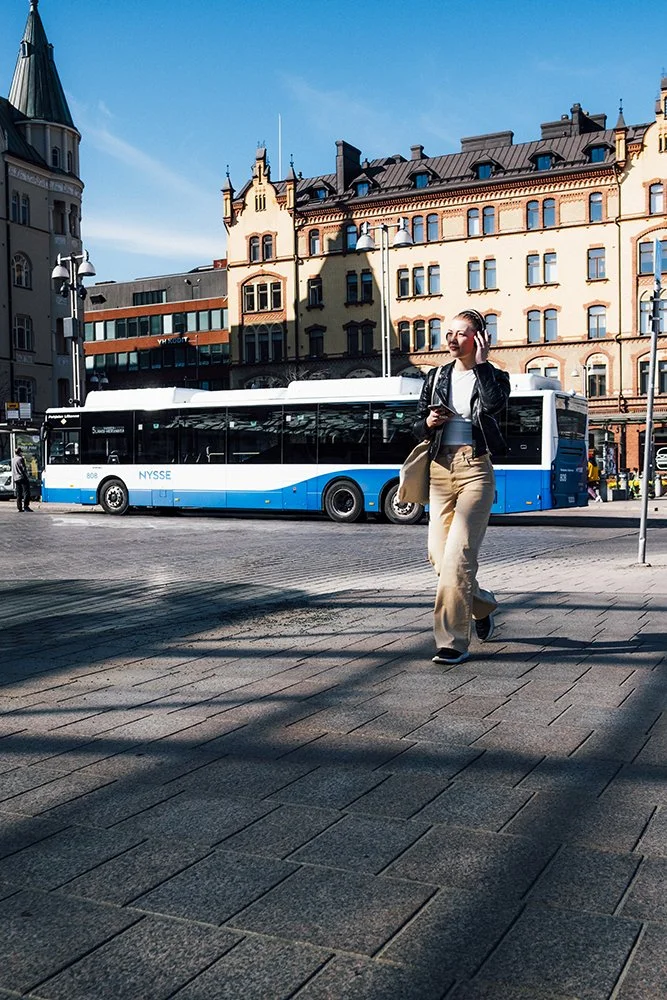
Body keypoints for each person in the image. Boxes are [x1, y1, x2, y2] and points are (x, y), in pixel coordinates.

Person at [414, 309, 511, 665]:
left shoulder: (495, 377)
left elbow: (496, 406)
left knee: (458, 559)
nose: (452, 339)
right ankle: (482, 606)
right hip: (440, 469)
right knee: (439, 558)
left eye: (461, 333)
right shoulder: (436, 376)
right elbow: (416, 426)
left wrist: (483, 366)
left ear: (479, 338)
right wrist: (428, 421)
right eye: (448, 332)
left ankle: (452, 642)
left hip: (475, 470)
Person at [11, 447, 32, 512]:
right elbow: (23, 469)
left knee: (19, 493)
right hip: (22, 477)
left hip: (16, 478)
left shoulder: (13, 459)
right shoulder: (21, 459)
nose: (22, 453)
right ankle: (26, 506)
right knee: (26, 492)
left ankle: (19, 507)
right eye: (21, 452)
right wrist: (27, 476)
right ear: (19, 452)